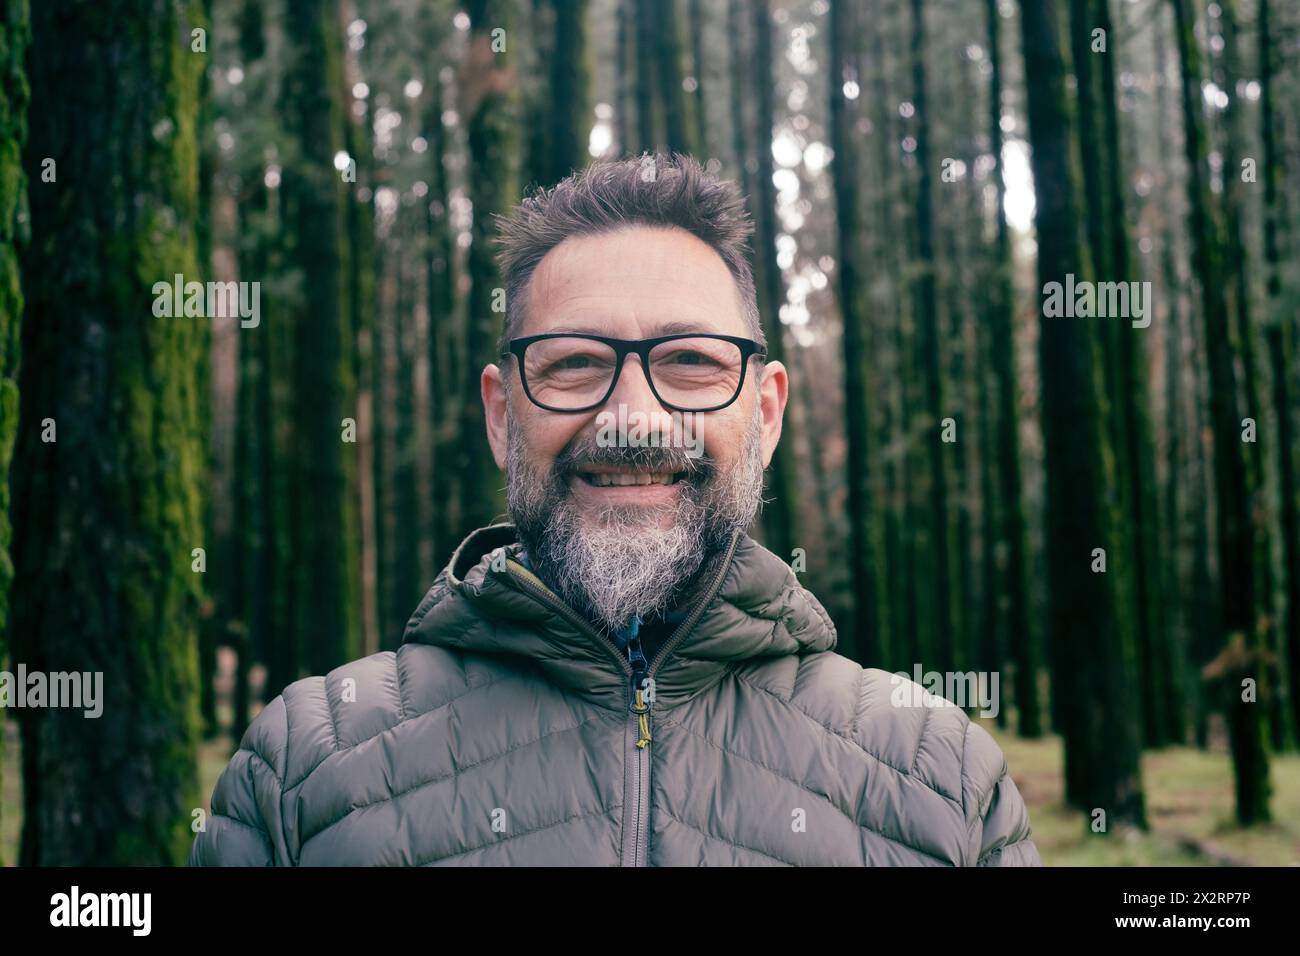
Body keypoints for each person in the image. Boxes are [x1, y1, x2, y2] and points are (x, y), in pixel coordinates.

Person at [189, 153, 1041, 866]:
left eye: (691, 362)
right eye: (572, 365)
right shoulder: (302, 770)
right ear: (500, 414)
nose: (632, 416)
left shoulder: (943, 779)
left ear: (767, 412)